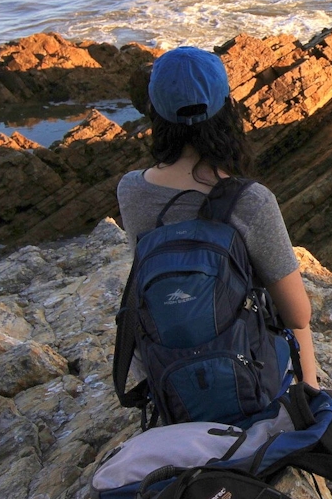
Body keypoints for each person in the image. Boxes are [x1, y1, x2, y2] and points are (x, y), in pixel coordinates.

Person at [115, 46, 321, 389]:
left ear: (154, 113)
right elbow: (298, 315)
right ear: (227, 108)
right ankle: (311, 399)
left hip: (164, 372)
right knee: (299, 323)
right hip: (242, 370)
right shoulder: (251, 200)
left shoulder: (131, 190)